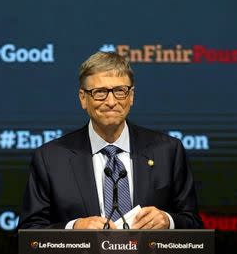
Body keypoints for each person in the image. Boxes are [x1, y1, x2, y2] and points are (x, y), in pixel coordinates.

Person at [18, 51, 202, 230]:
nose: (111, 102)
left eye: (120, 91)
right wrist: (73, 228)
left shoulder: (167, 151)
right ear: (83, 98)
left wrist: (167, 221)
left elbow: (193, 223)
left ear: (131, 96)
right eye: (100, 92)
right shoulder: (51, 158)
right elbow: (29, 232)